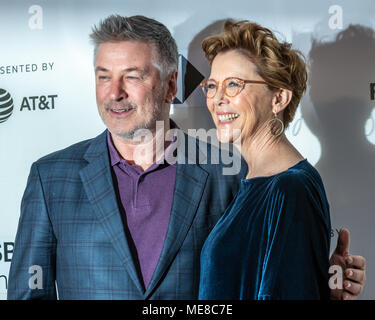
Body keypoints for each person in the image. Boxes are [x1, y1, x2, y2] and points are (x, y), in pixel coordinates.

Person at [7, 15, 365, 300]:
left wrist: (319, 284)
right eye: (104, 77)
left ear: (171, 85)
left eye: (132, 76)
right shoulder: (51, 178)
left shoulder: (235, 174)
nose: (114, 93)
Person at [198, 19, 366, 300]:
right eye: (212, 86)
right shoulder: (253, 182)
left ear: (279, 99)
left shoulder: (290, 189)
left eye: (234, 85)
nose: (217, 99)